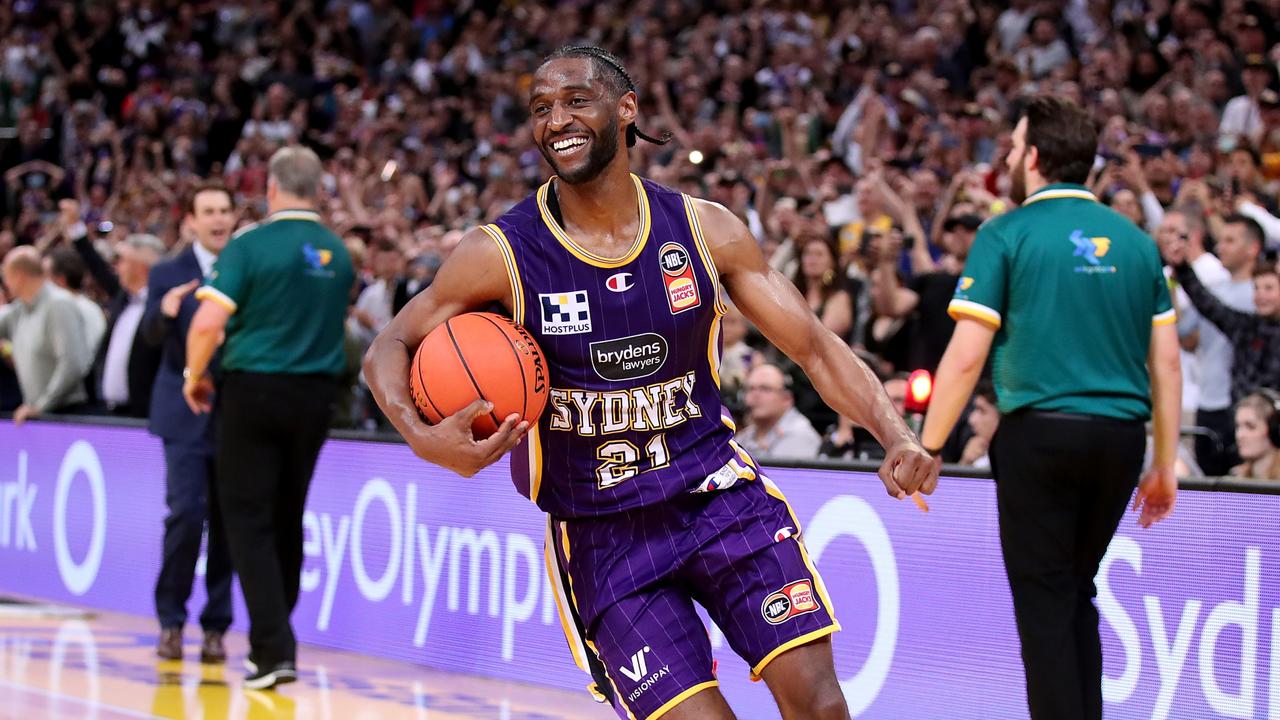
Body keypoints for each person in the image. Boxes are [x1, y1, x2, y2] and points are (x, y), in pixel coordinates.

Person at [363, 46, 938, 720]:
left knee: (820, 706)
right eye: (542, 108)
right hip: (605, 538)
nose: (557, 120)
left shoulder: (704, 229)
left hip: (719, 499)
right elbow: (390, 344)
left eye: (577, 99)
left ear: (626, 108)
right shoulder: (499, 251)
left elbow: (814, 346)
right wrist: (422, 436)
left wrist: (894, 431)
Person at [920, 96, 1180, 720]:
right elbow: (1165, 363)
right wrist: (1165, 463)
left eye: (1011, 147)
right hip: (1123, 441)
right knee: (1073, 591)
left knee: (1044, 601)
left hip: (1038, 436)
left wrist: (926, 447)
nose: (1006, 157)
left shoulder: (1005, 233)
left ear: (1033, 157)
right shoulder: (1138, 242)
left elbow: (963, 358)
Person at [184, 147, 354, 689]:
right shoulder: (340, 252)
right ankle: (274, 642)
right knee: (287, 516)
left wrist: (195, 375)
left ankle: (273, 647)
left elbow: (207, 321)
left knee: (247, 521)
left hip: (253, 390)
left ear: (273, 189)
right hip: (317, 398)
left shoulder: (249, 244)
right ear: (318, 189)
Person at [138, 181, 237, 664]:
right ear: (191, 221)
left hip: (234, 412)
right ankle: (170, 622)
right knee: (186, 515)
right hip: (181, 412)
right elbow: (149, 336)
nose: (218, 219)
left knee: (227, 524)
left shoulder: (243, 267)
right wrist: (165, 310)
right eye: (209, 211)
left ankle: (216, 627)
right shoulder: (167, 272)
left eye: (224, 210)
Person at [1166, 211, 1256, 475]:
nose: (1220, 247)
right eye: (1221, 240)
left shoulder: (1263, 295)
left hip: (1242, 405)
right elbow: (1183, 331)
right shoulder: (1213, 288)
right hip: (1207, 401)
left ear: (1253, 248)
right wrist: (1173, 280)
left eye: (1230, 240)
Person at [65, 200, 165, 417]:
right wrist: (75, 227)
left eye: (122, 260)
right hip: (109, 412)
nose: (116, 266)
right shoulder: (123, 298)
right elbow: (97, 267)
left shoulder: (163, 305)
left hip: (144, 415)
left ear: (141, 266)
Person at [1163, 221, 1280, 401]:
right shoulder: (1246, 326)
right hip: (1240, 416)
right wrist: (1182, 269)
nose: (1261, 295)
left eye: (1269, 288)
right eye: (1257, 288)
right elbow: (1209, 306)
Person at [0, 246, 93, 424]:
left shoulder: (59, 304)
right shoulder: (20, 309)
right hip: (37, 415)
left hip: (65, 414)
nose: (5, 283)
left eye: (6, 276)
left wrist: (41, 405)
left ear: (19, 276)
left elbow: (72, 364)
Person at [737, 363, 823, 460]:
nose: (755, 395)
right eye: (751, 389)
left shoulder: (799, 435)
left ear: (787, 399)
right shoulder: (745, 435)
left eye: (765, 389)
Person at [1231, 390, 1280, 480]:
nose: (1239, 435)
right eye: (1238, 426)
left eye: (1250, 427)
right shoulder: (1235, 479)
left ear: (1274, 430)